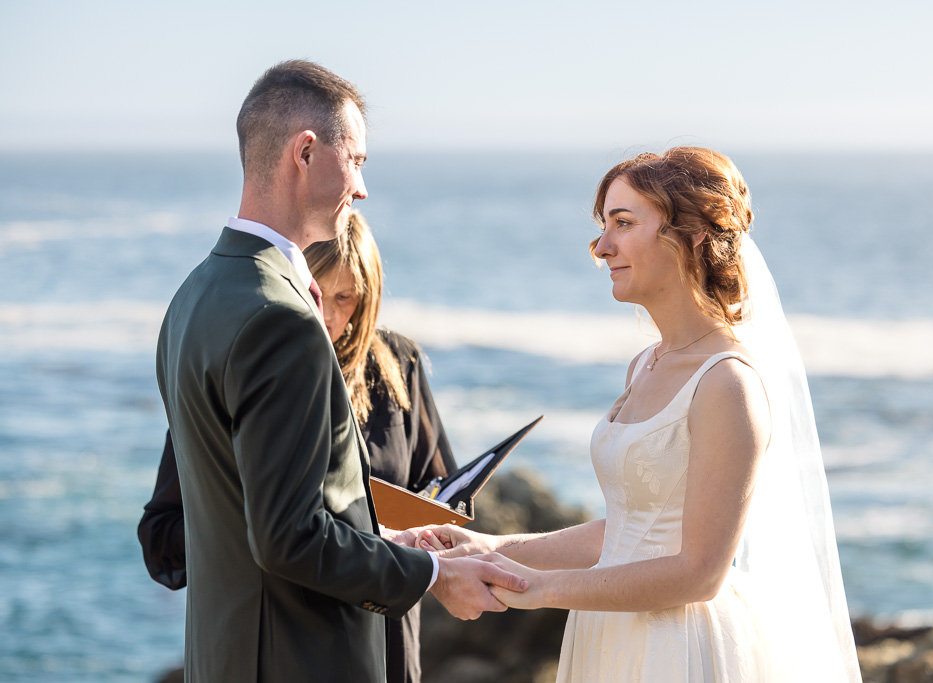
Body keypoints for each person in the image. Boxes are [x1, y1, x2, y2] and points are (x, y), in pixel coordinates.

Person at [417, 148, 862, 681]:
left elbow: (700, 573)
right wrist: (495, 546)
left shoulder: (727, 383)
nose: (602, 248)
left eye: (623, 224)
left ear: (691, 235)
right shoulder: (646, 365)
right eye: (604, 226)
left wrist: (538, 589)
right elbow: (630, 530)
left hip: (676, 646)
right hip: (609, 630)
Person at [153, 60, 525, 682]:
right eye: (356, 161)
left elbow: (249, 511)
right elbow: (289, 537)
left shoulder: (195, 295)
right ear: (305, 152)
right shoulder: (283, 321)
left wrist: (391, 541)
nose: (361, 187)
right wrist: (432, 572)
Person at [140, 209, 454, 683]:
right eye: (321, 294)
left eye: (346, 298)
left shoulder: (398, 363)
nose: (329, 316)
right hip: (290, 647)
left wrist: (410, 533)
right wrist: (256, 526)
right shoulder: (253, 358)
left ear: (368, 300)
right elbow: (162, 538)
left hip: (388, 632)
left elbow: (442, 490)